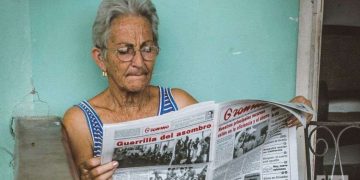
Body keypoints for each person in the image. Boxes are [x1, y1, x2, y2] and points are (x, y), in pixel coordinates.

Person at [62, 0, 312, 179]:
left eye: (147, 49)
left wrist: (285, 115)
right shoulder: (80, 120)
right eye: (125, 51)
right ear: (101, 58)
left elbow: (222, 154)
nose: (138, 62)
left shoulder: (178, 101)